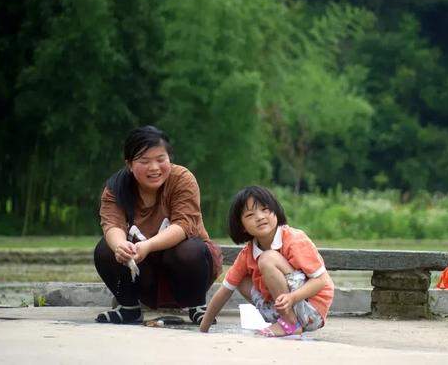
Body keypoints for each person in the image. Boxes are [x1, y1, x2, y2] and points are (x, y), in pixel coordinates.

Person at [93, 125, 221, 324]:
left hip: (188, 272)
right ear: (129, 163)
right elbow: (112, 225)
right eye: (144, 161)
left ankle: (197, 306)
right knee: (105, 249)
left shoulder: (182, 179)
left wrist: (148, 245)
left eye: (161, 160)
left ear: (169, 158)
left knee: (190, 248)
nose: (154, 168)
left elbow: (184, 226)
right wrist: (121, 247)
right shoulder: (116, 188)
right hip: (144, 273)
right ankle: (129, 308)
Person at [199, 186, 334, 337]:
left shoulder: (294, 239)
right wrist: (203, 328)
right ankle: (286, 321)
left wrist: (292, 298)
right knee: (239, 279)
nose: (260, 217)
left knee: (267, 259)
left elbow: (321, 281)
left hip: (310, 308)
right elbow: (224, 291)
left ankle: (289, 323)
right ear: (242, 226)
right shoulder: (247, 254)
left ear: (275, 211)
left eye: (265, 209)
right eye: (250, 214)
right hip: (280, 306)